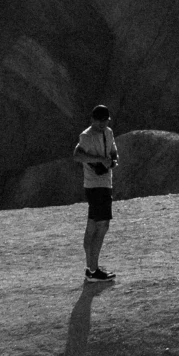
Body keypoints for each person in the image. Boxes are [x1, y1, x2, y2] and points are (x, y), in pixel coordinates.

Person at [73, 101, 119, 281]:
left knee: (93, 224)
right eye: (99, 121)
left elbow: (114, 152)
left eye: (105, 121)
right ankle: (93, 270)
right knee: (103, 225)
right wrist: (100, 160)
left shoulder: (109, 133)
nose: (103, 124)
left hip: (105, 182)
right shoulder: (86, 136)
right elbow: (77, 156)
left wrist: (112, 160)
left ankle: (90, 268)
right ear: (92, 119)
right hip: (95, 185)